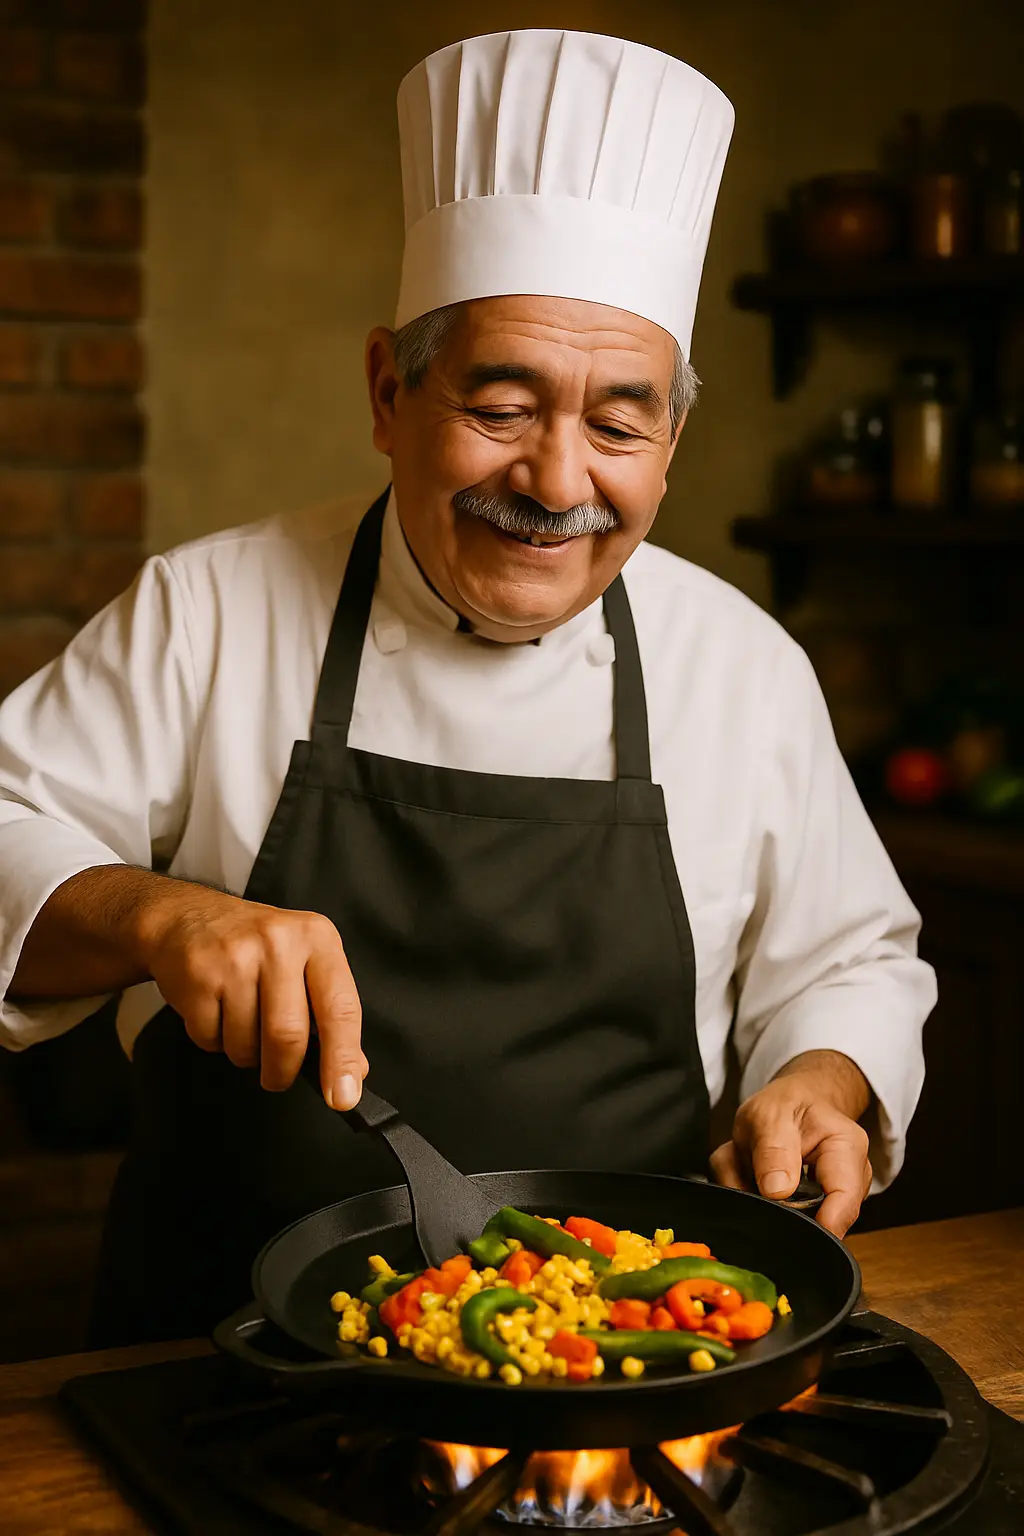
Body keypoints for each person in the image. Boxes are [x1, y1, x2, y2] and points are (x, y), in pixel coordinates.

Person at [0, 29, 934, 1345]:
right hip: (211, 1362)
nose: (556, 484)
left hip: (614, 1362)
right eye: (502, 406)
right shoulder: (203, 611)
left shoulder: (742, 665)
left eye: (618, 423)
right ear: (391, 390)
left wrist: (821, 1081)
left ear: (672, 442)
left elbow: (848, 959)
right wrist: (157, 917)